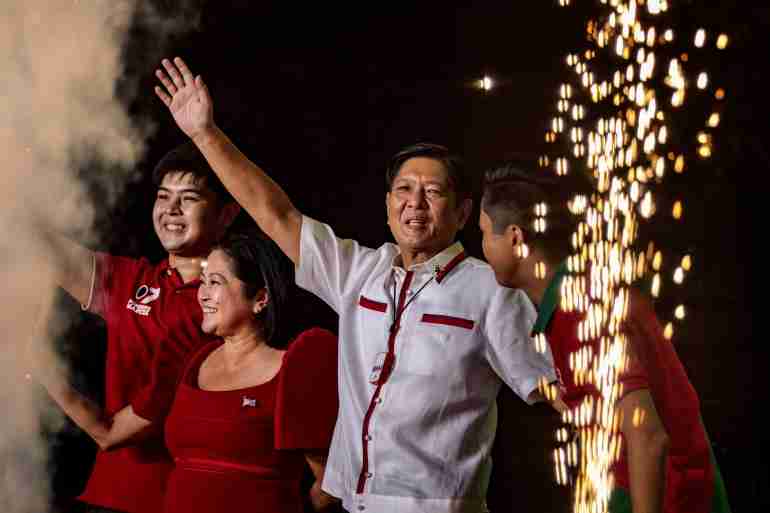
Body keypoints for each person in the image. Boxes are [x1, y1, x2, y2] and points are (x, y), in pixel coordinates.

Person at [152, 56, 556, 513]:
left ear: (462, 213)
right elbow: (275, 214)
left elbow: (558, 389)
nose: (415, 204)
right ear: (386, 206)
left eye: (433, 191)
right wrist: (205, 134)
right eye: (403, 190)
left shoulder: (491, 291)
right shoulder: (359, 272)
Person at [477, 161, 732, 513]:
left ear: (515, 238)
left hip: (672, 500)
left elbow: (647, 436)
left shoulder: (579, 310)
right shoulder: (582, 292)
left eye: (485, 233)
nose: (482, 248)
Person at [29, 142, 240, 513]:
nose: (171, 210)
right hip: (105, 494)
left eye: (188, 198)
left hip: (174, 500)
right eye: (163, 197)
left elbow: (110, 435)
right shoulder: (136, 278)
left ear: (226, 215)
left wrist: (38, 364)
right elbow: (42, 247)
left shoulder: (223, 306)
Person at [162, 229, 339, 513]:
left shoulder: (292, 368)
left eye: (216, 282)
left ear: (260, 298)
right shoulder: (197, 360)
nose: (202, 294)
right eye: (203, 281)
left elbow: (330, 484)